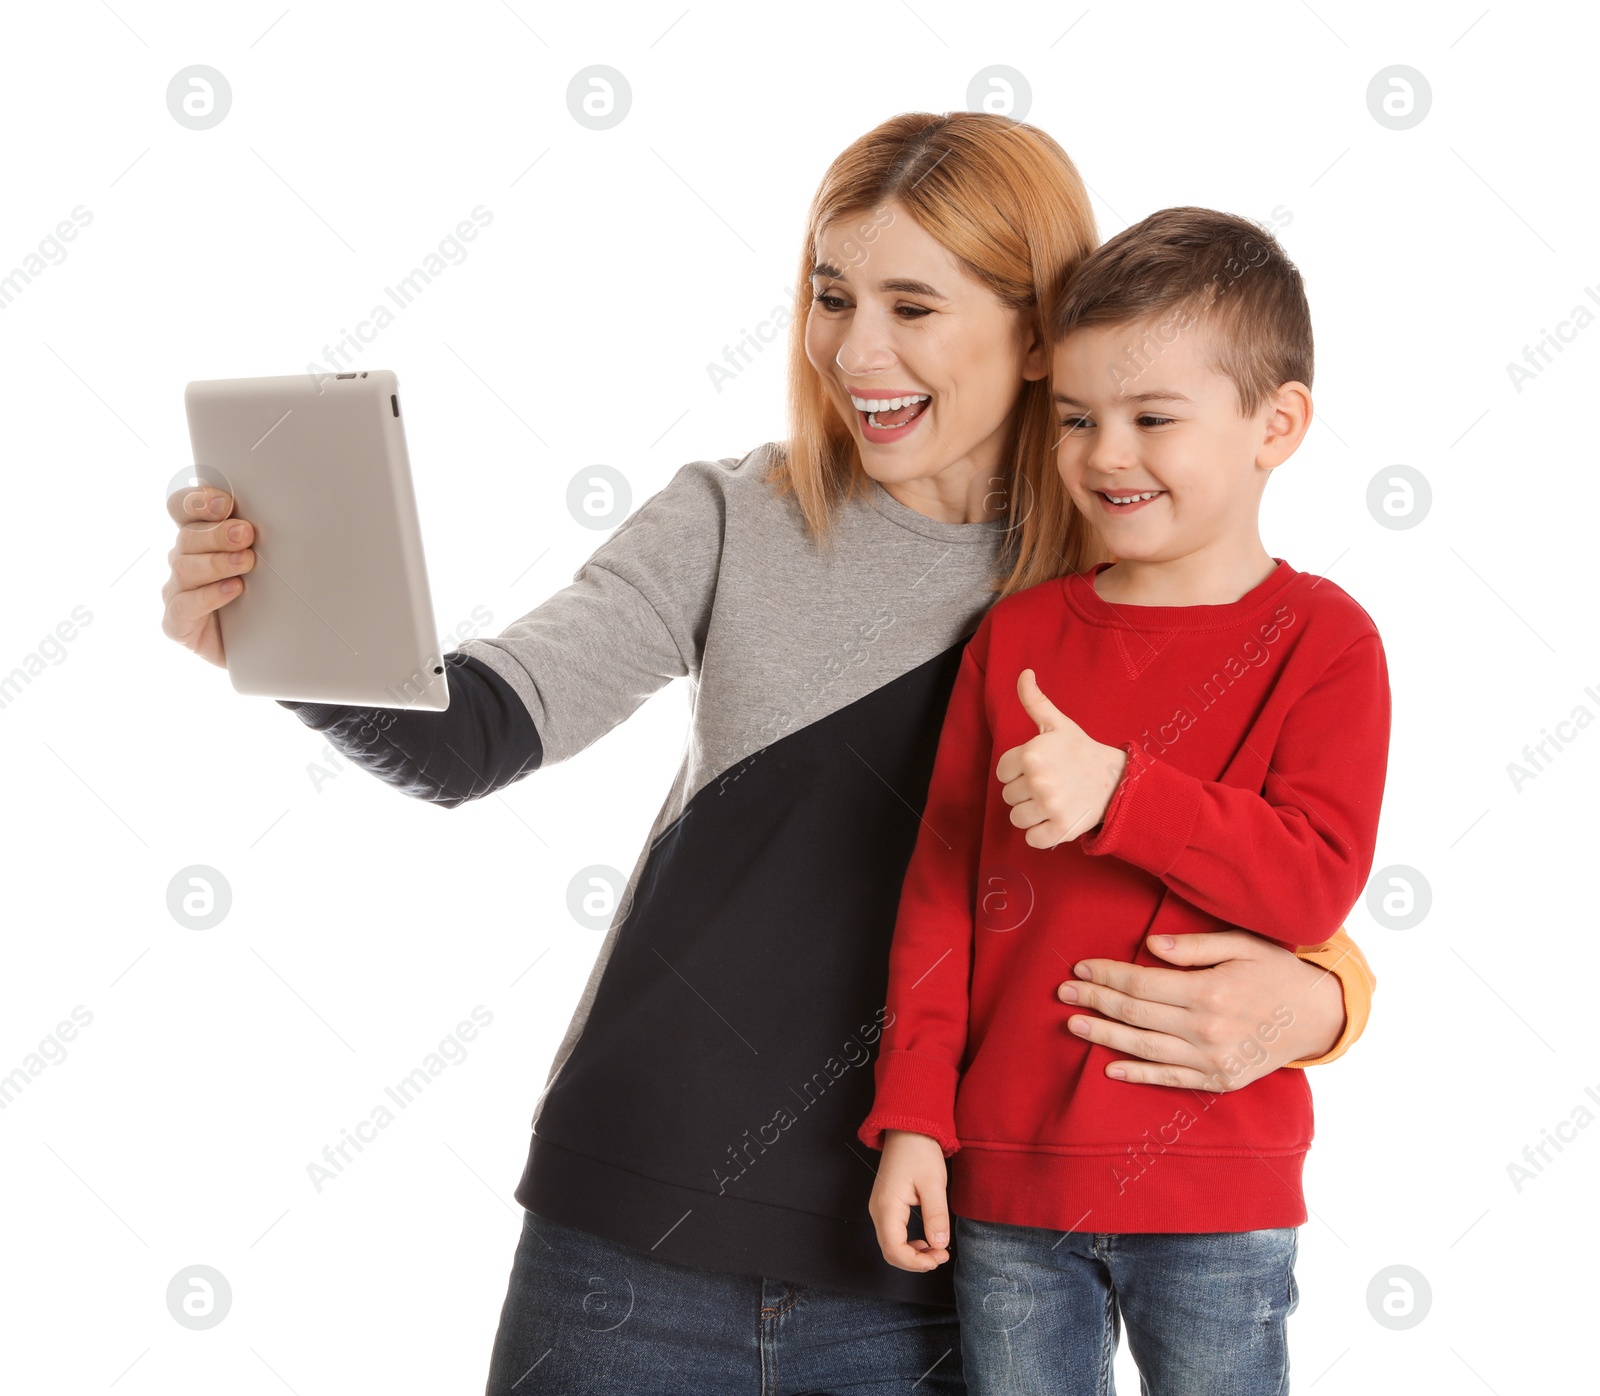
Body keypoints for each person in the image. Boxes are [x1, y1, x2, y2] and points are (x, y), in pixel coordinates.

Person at [160, 118, 1376, 1395]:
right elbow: (477, 733)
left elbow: (1278, 854)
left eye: (913, 304)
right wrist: (285, 629)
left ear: (1037, 330)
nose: (856, 351)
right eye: (830, 293)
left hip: (942, 1265)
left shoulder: (1128, 561)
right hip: (630, 1234)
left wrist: (1325, 1000)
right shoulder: (735, 517)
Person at [858, 206, 1391, 1394]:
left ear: (1276, 424)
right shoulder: (1020, 634)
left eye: (1152, 419)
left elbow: (1312, 882)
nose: (1106, 454)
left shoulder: (1327, 642)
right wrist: (913, 1115)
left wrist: (1121, 793)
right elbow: (940, 892)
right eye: (1078, 419)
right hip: (1007, 1184)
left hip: (1215, 1191)